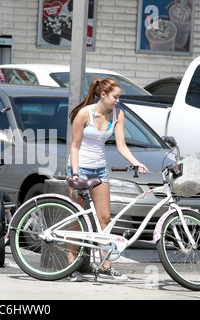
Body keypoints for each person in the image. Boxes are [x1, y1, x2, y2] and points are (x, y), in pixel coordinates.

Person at [67, 78, 148, 282]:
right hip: (80, 168)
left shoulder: (117, 114)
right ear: (103, 95)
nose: (117, 101)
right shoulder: (84, 114)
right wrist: (75, 173)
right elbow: (75, 146)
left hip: (100, 170)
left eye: (119, 97)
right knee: (77, 219)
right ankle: (70, 266)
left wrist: (137, 163)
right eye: (115, 97)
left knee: (104, 219)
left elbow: (121, 145)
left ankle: (105, 266)